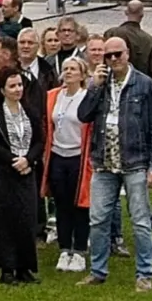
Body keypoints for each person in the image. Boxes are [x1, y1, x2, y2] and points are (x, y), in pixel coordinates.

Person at [75, 36, 152, 291]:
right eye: (108, 55)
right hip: (104, 162)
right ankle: (98, 271)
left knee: (140, 220)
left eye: (118, 54)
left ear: (127, 54)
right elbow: (83, 115)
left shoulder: (144, 85)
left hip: (135, 161)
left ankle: (145, 273)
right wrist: (93, 86)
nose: (113, 59)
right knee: (98, 219)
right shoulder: (100, 84)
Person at [0, 68, 43, 285]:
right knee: (4, 221)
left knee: (26, 220)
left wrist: (28, 160)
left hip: (26, 173)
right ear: (2, 90)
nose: (17, 90)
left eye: (20, 85)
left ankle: (24, 267)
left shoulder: (29, 112)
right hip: (2, 174)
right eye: (12, 86)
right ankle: (7, 268)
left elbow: (40, 141)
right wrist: (14, 160)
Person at [44, 57, 93, 273]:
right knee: (61, 203)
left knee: (80, 204)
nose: (69, 72)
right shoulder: (54, 96)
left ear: (83, 75)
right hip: (57, 155)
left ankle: (80, 250)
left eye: (73, 69)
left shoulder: (87, 97)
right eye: (66, 69)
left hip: (79, 157)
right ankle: (65, 249)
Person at [106, 2, 152, 78]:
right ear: (142, 15)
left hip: (114, 80)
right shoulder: (149, 40)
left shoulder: (111, 33)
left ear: (126, 12)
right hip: (141, 83)